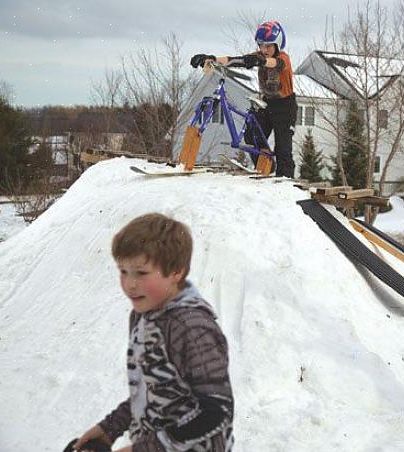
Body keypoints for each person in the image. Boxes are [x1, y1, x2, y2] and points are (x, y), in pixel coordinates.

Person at [69, 213, 233, 452]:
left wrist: (147, 448)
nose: (129, 284)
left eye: (141, 273)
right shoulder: (143, 316)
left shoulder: (192, 328)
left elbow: (216, 411)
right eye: (123, 271)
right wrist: (110, 427)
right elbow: (152, 392)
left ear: (176, 272)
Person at [190, 20, 297, 178]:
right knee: (251, 136)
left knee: (283, 147)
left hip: (284, 107)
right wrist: (212, 58)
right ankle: (267, 167)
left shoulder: (283, 58)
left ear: (277, 45)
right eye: (261, 45)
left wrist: (260, 61)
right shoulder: (259, 56)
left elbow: (274, 63)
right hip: (267, 104)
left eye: (268, 46)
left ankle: (285, 179)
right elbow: (236, 60)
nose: (264, 50)